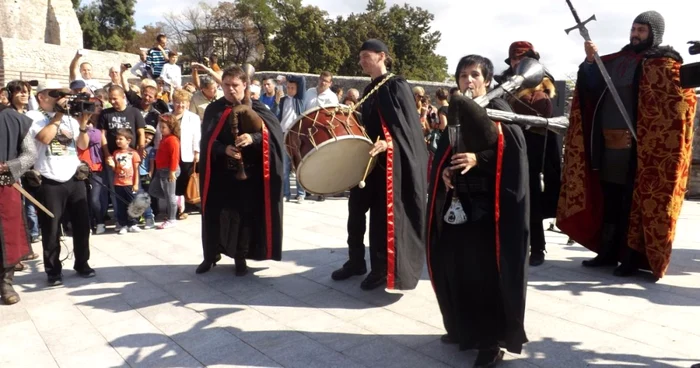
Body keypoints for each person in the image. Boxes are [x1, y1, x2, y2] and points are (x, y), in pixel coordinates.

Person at [557, 11, 698, 279]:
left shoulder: (663, 64)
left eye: (642, 30)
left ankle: (631, 258)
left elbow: (680, 104)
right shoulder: (616, 61)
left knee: (630, 204)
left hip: (640, 151)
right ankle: (607, 252)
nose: (635, 34)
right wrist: (589, 62)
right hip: (609, 147)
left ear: (654, 33)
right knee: (610, 200)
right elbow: (590, 87)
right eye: (634, 29)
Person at [426, 54, 529, 367]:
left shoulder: (501, 112)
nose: (468, 81)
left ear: (487, 79)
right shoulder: (455, 112)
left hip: (490, 213)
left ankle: (491, 342)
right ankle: (463, 328)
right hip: (459, 209)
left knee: (486, 278)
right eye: (462, 75)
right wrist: (445, 172)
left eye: (474, 75)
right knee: (458, 270)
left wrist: (478, 159)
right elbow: (446, 152)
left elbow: (512, 155)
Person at [330, 39, 427, 291]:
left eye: (365, 55)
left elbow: (407, 130)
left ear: (381, 56)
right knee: (355, 213)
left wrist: (388, 144)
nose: (361, 60)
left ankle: (381, 269)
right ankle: (355, 261)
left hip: (388, 167)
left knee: (381, 221)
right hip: (367, 164)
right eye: (360, 56)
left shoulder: (396, 85)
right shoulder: (370, 88)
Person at [197, 66, 284, 275]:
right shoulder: (214, 109)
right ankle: (210, 256)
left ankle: (240, 258)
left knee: (244, 218)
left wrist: (252, 138)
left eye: (235, 85)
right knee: (214, 214)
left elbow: (274, 136)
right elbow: (207, 141)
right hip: (220, 174)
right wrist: (222, 148)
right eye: (226, 85)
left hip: (248, 176)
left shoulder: (258, 107)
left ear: (245, 85)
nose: (230, 89)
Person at [498, 41, 561, 267]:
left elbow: (539, 109)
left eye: (521, 59)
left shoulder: (542, 85)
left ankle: (537, 246)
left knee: (531, 197)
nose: (517, 63)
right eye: (514, 59)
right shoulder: (503, 83)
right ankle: (511, 244)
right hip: (505, 144)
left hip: (532, 148)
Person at [27, 80, 96, 286]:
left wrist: (83, 124)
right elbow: (44, 138)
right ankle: (53, 270)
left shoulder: (70, 120)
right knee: (52, 228)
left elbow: (82, 144)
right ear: (42, 97)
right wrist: (57, 115)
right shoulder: (34, 117)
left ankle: (82, 263)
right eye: (55, 94)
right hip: (49, 179)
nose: (61, 98)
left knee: (82, 224)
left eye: (63, 94)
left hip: (73, 177)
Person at [0, 103, 37, 305]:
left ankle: (6, 283)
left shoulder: (14, 119)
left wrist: (7, 166)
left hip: (5, 185)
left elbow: (30, 154)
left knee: (9, 236)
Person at [277, 75, 307, 203]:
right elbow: (276, 116)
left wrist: (286, 77)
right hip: (284, 134)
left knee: (298, 164)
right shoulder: (283, 100)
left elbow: (302, 79)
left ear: (297, 89)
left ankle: (301, 193)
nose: (290, 90)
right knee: (285, 166)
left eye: (292, 88)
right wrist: (276, 102)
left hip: (296, 134)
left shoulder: (299, 99)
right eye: (288, 87)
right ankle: (286, 193)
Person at [150, 114, 181, 229]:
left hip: (169, 170)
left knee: (169, 195)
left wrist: (172, 171)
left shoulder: (172, 139)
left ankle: (172, 218)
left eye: (164, 127)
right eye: (160, 127)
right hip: (161, 170)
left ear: (171, 128)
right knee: (153, 190)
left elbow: (175, 157)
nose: (161, 130)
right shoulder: (164, 138)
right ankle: (175, 201)